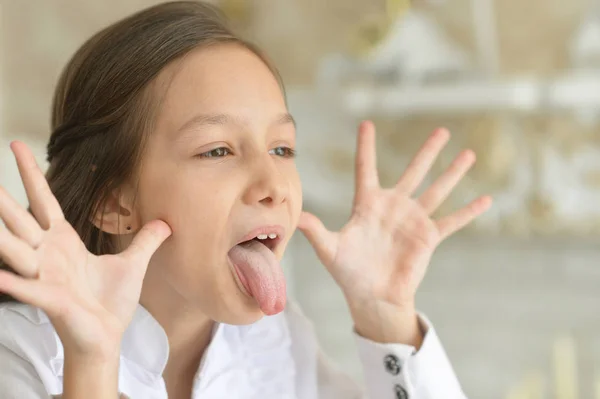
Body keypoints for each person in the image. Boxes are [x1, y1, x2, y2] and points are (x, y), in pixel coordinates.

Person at [0, 1, 492, 398]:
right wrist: (93, 365)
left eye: (282, 148)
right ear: (112, 201)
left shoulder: (271, 342)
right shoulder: (19, 353)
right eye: (217, 150)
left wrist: (385, 315)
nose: (273, 184)